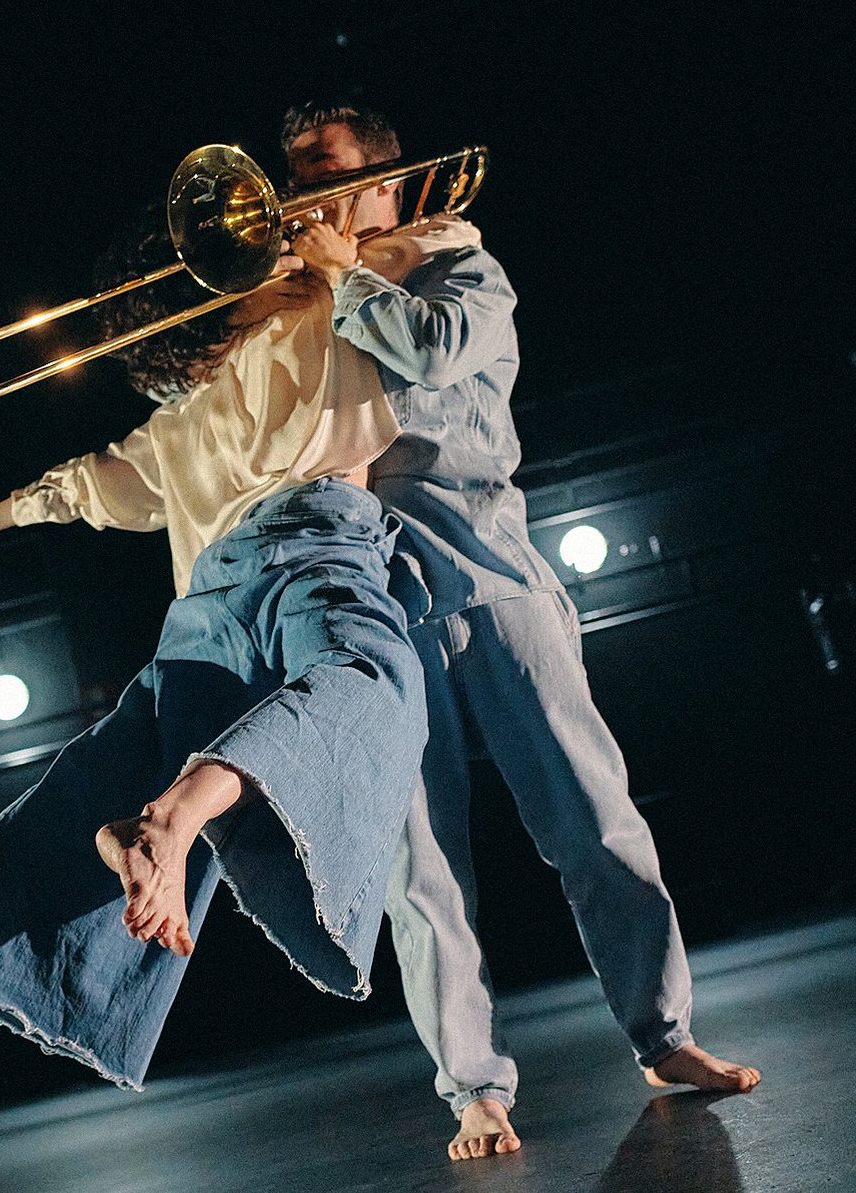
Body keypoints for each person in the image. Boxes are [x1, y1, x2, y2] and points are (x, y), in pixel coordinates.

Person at [0, 209, 430, 1111]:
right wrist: (341, 259)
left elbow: (69, 489)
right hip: (314, 547)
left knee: (99, 777)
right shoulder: (314, 303)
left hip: (205, 601)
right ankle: (180, 813)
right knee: (369, 680)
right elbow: (413, 274)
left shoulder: (168, 429)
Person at [279, 102, 761, 1161]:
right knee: (419, 871)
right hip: (376, 608)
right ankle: (472, 1089)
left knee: (593, 822)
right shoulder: (299, 308)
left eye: (319, 172)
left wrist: (345, 277)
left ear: (383, 187)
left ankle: (664, 1033)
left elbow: (433, 351)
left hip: (495, 577)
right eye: (291, 175)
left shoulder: (462, 269)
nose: (293, 197)